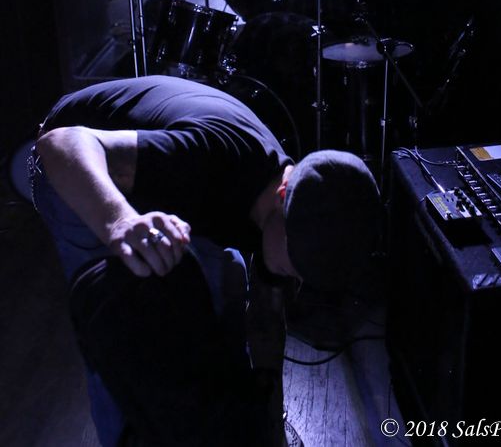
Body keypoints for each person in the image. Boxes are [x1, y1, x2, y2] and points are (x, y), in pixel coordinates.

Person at [31, 75, 381, 447]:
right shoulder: (212, 156)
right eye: (297, 261)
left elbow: (267, 310)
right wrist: (121, 222)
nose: (297, 275)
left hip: (156, 182)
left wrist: (269, 417)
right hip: (72, 168)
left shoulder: (292, 212)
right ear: (283, 194)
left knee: (228, 278)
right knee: (123, 328)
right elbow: (60, 143)